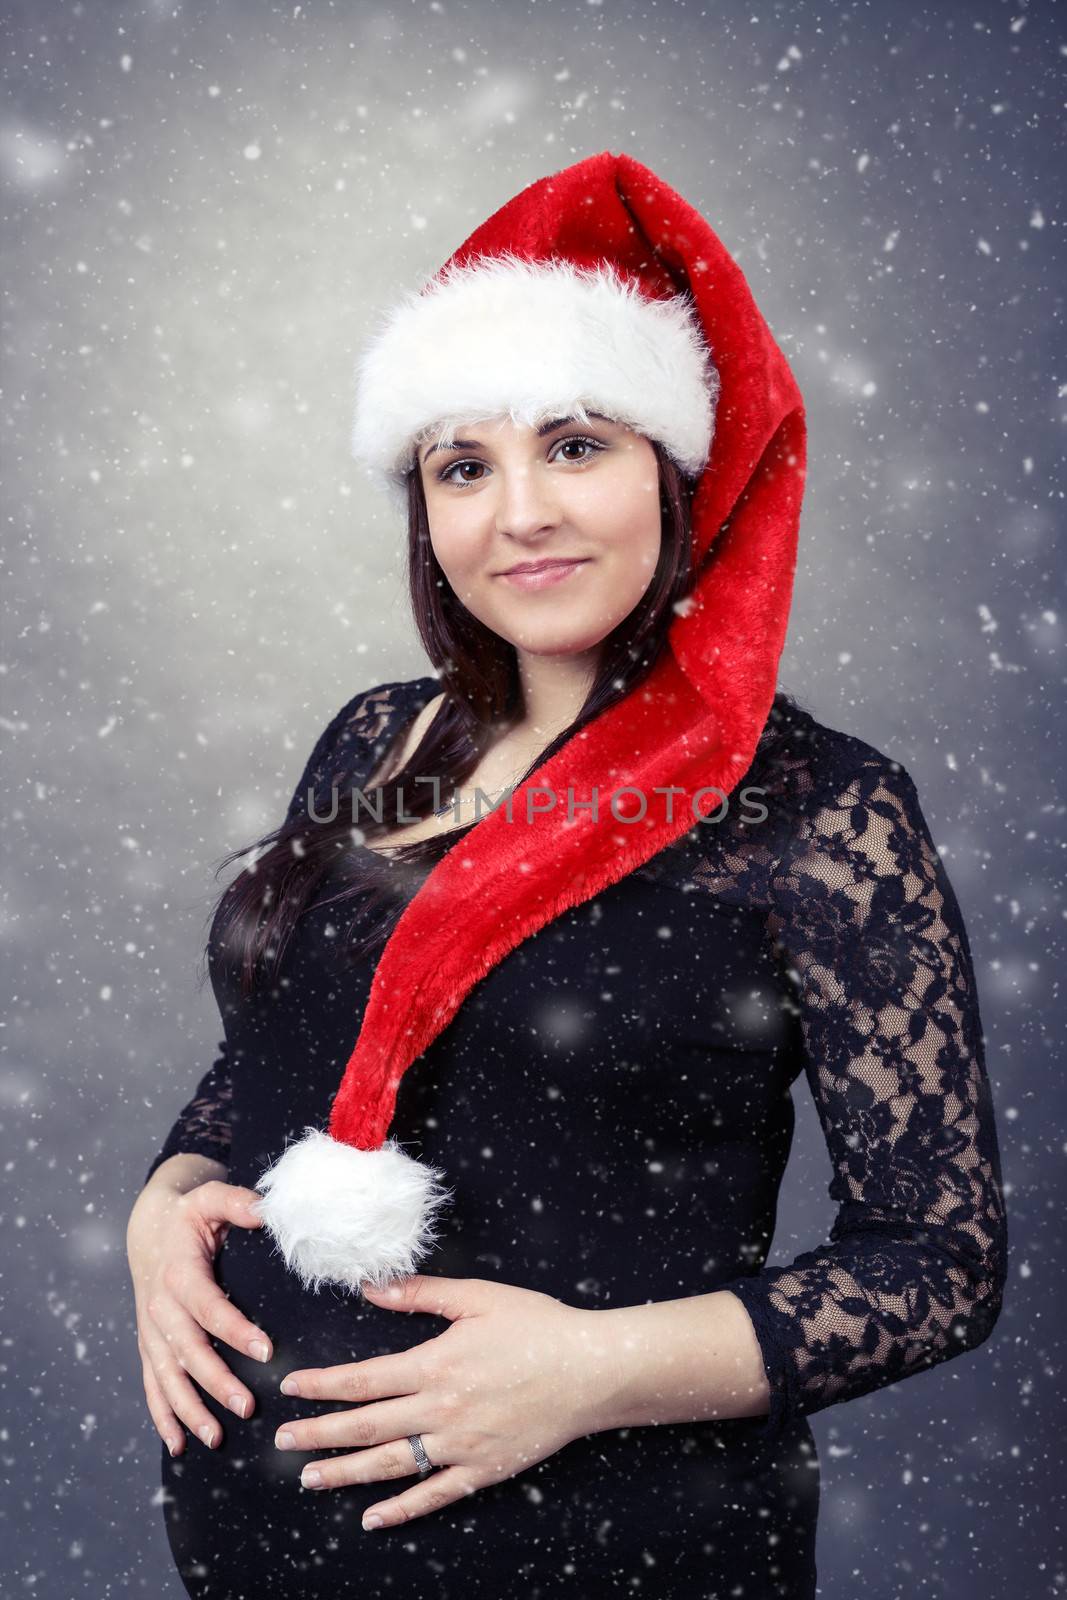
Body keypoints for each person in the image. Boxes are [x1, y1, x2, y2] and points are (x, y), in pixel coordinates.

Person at [126, 151, 1008, 1600]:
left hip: (612, 1545)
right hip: (259, 1550)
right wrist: (166, 1204)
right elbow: (280, 1064)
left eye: (577, 446)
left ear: (676, 467)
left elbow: (939, 1261)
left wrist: (589, 1373)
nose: (518, 512)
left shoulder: (819, 810)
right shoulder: (378, 739)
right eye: (463, 465)